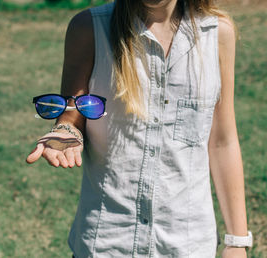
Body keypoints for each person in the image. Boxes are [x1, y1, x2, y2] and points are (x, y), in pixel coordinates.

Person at [26, 0, 252, 257]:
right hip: (107, 244)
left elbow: (223, 141)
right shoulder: (89, 28)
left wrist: (236, 240)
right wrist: (66, 132)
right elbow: (72, 115)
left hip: (187, 245)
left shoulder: (217, 33)